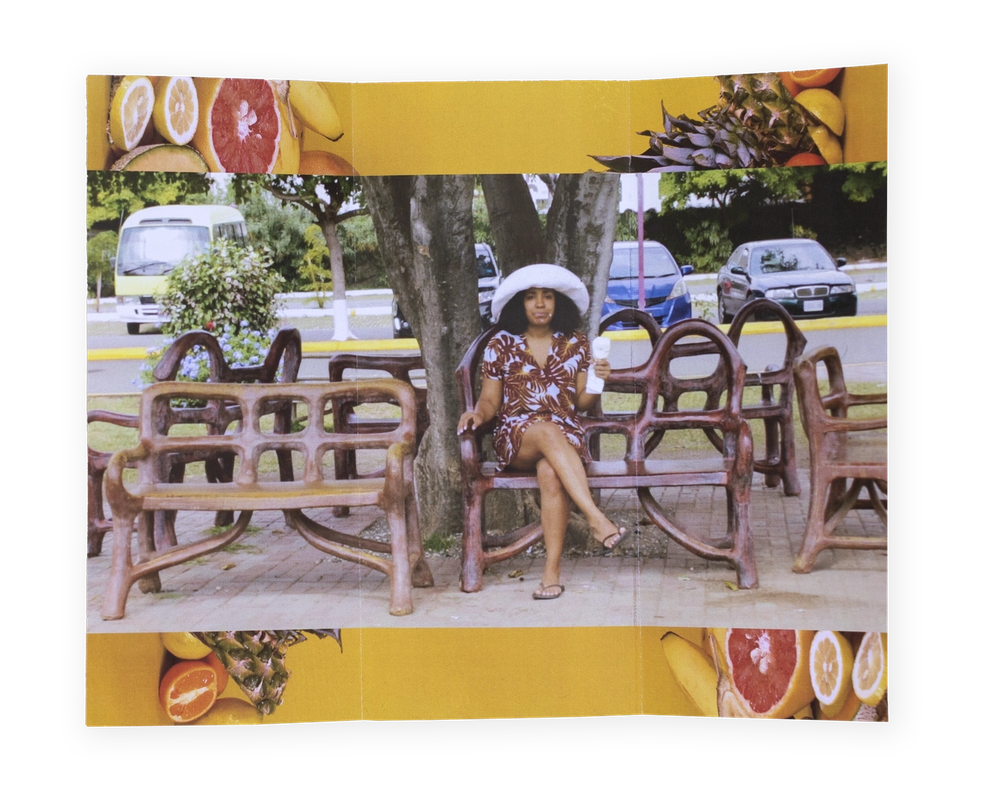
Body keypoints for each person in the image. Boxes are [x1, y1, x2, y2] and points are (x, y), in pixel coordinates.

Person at [457, 264, 627, 600]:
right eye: (532, 298)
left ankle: (551, 574)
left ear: (557, 303)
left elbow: (580, 402)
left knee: (550, 472)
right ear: (519, 303)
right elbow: (490, 401)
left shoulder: (575, 343)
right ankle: (595, 518)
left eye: (547, 297)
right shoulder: (501, 344)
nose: (540, 304)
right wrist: (477, 413)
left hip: (564, 435)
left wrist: (599, 379)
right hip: (517, 436)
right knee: (547, 431)